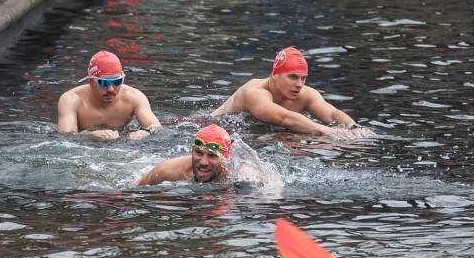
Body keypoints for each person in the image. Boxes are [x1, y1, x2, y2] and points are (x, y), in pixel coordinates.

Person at [211, 47, 371, 140]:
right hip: (217, 129)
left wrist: (353, 127)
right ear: (275, 74)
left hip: (259, 133)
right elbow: (284, 118)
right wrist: (326, 131)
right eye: (293, 77)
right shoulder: (254, 91)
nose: (299, 84)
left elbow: (331, 113)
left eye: (303, 78)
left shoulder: (306, 94)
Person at [57, 50, 162, 141]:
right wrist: (89, 136)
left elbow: (156, 127)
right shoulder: (71, 100)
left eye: (117, 82)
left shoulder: (134, 97)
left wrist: (145, 133)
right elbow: (65, 137)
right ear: (90, 80)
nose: (111, 89)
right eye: (104, 83)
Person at [137, 124, 232, 185]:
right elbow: (135, 193)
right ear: (192, 151)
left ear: (225, 158)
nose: (203, 162)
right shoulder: (166, 171)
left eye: (211, 155)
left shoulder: (237, 175)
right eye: (198, 153)